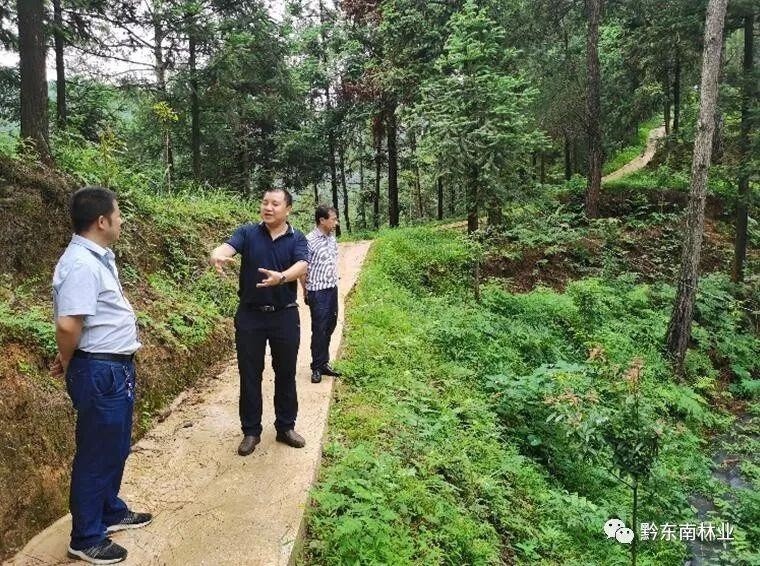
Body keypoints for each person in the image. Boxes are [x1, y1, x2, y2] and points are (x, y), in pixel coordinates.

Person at [51, 186, 152, 564]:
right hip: (99, 369)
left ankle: (109, 509)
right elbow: (67, 324)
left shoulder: (97, 258)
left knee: (114, 445)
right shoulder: (81, 264)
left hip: (112, 367)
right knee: (96, 453)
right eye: (119, 214)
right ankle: (86, 536)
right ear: (101, 221)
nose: (122, 220)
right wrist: (69, 359)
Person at [209, 188, 309, 456]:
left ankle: (285, 426)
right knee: (250, 374)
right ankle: (251, 431)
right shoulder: (247, 233)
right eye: (265, 202)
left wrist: (282, 277)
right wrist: (218, 254)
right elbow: (227, 246)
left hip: (284, 314)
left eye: (275, 204)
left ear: (288, 209)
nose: (268, 207)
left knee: (286, 372)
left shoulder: (296, 237)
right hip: (250, 314)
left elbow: (302, 265)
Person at [300, 205, 342, 384]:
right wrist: (305, 290)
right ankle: (316, 367)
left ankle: (324, 362)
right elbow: (303, 268)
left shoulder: (332, 238)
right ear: (322, 220)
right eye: (333, 219)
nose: (336, 222)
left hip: (332, 288)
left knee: (330, 325)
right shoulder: (309, 241)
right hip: (317, 291)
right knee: (319, 328)